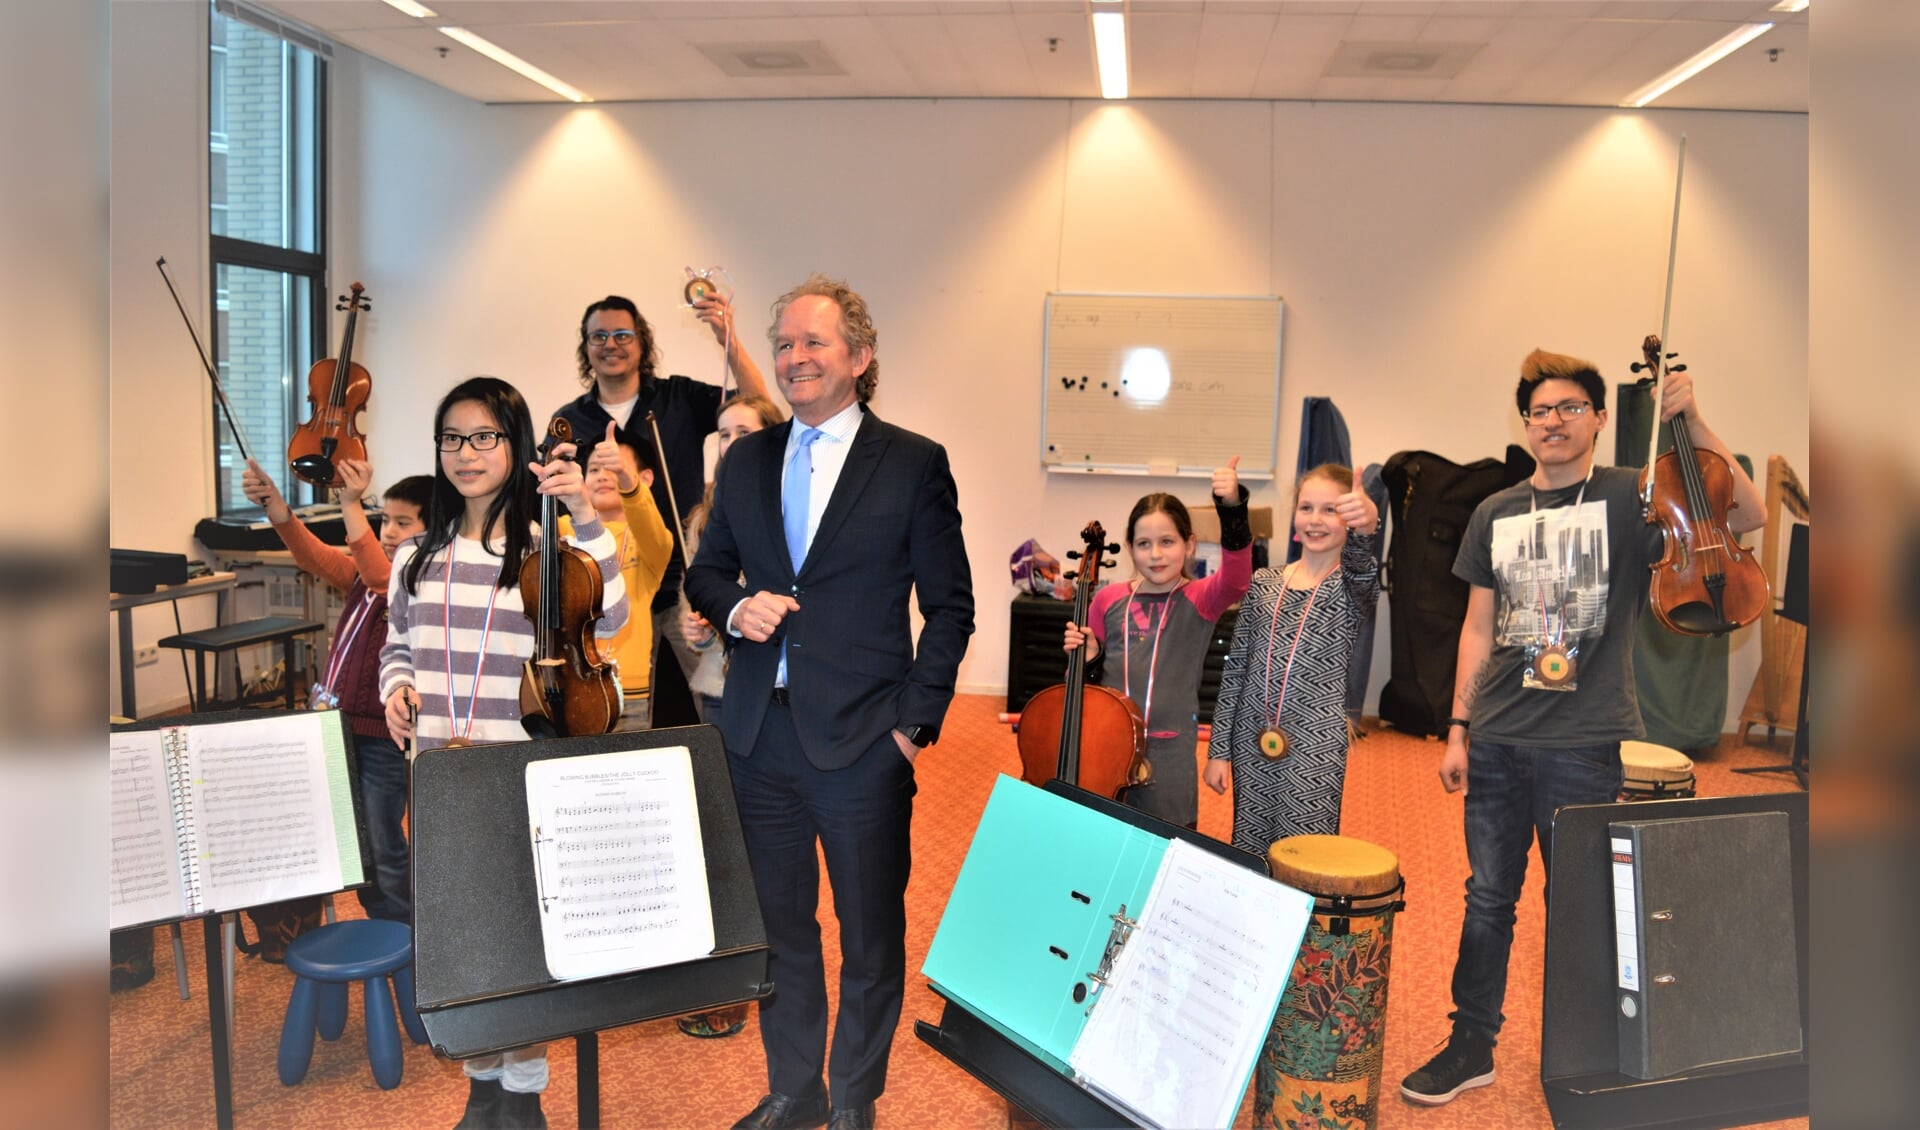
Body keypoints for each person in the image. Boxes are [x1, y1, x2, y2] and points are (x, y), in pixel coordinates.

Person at [1399, 348, 1763, 1107]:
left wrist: (1692, 421)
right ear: (1524, 423)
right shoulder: (1494, 512)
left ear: (1599, 419)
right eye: (1539, 411)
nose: (1553, 422)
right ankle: (1472, 1044)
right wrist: (1460, 728)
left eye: (1570, 408)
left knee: (1583, 906)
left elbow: (1747, 514)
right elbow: (1476, 628)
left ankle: (1590, 1047)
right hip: (1497, 736)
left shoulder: (1634, 497)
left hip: (1584, 743)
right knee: (1488, 897)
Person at [684, 275, 974, 1130]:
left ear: (860, 356)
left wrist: (914, 728)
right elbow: (707, 570)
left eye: (814, 342)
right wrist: (736, 609)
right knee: (780, 934)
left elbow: (950, 607)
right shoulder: (746, 459)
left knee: (869, 939)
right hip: (756, 740)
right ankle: (795, 1092)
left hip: (865, 746)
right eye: (783, 344)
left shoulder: (915, 462)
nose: (795, 357)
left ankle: (855, 1100)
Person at [380, 376, 629, 1130]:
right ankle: (481, 1083)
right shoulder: (416, 556)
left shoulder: (543, 553)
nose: (465, 453)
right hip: (440, 775)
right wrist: (396, 688)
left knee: (519, 936)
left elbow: (610, 613)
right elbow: (397, 644)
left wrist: (584, 510)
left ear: (516, 447)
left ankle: (524, 1089)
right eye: (452, 438)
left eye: (484, 437)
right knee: (462, 936)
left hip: (516, 773)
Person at [552, 292, 769, 726]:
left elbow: (760, 407)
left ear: (641, 342)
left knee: (721, 698)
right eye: (598, 336)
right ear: (585, 346)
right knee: (621, 716)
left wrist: (726, 334)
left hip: (687, 580)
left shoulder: (679, 397)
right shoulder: (570, 420)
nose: (610, 344)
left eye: (621, 334)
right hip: (607, 591)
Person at [241, 458, 431, 926]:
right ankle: (369, 920)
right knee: (347, 835)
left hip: (382, 739)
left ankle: (407, 933)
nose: (388, 531)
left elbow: (377, 573)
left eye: (402, 522)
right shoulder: (362, 579)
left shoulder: (415, 582)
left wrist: (351, 506)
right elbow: (311, 555)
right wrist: (278, 507)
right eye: (384, 519)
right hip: (335, 725)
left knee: (383, 841)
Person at [674, 393, 787, 1042]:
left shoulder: (797, 509)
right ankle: (724, 979)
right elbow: (700, 620)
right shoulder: (703, 515)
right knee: (718, 840)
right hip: (719, 693)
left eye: (745, 431)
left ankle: (756, 975)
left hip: (780, 699)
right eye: (721, 434)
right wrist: (697, 627)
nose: (730, 442)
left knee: (763, 849)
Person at [1061, 461, 1251, 829]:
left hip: (1169, 750)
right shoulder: (1107, 599)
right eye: (1144, 544)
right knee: (1106, 838)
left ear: (1189, 543)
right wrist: (1086, 658)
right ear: (1130, 547)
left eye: (1167, 542)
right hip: (1108, 744)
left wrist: (1232, 510)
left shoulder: (1199, 598)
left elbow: (1237, 579)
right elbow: (1084, 682)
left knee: (1168, 845)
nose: (1156, 554)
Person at [1208, 464, 1380, 851]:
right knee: (1250, 854)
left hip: (1315, 745)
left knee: (1303, 858)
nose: (1315, 520)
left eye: (1331, 510)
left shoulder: (1349, 588)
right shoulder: (1264, 583)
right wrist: (1219, 749)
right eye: (1306, 508)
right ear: (1294, 516)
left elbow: (1361, 568)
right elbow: (1235, 670)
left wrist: (1366, 528)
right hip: (1252, 740)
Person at [562, 421, 673, 731]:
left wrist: (627, 478)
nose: (602, 475)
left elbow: (648, 521)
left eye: (614, 467)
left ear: (645, 478)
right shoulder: (560, 531)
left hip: (630, 688)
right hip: (570, 683)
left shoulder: (650, 540)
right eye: (594, 468)